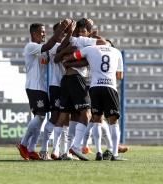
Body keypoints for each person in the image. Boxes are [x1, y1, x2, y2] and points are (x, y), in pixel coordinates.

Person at [51, 18, 107, 161]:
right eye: (78, 31)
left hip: (67, 80)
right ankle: (75, 147)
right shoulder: (84, 41)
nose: (80, 34)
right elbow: (104, 43)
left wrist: (69, 61)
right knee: (87, 114)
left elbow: (61, 55)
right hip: (76, 79)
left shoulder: (73, 40)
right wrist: (92, 37)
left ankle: (59, 151)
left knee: (66, 116)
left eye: (83, 31)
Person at [63, 40, 127, 161]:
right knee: (113, 122)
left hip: (94, 88)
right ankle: (115, 154)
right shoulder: (116, 52)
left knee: (97, 120)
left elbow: (71, 57)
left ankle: (98, 151)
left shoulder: (91, 49)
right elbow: (119, 76)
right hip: (110, 87)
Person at [16, 19, 70, 160]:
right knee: (40, 115)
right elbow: (49, 45)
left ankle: (32, 149)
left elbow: (55, 46)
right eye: (41, 32)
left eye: (45, 32)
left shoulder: (45, 49)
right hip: (33, 86)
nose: (43, 34)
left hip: (42, 88)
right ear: (33, 33)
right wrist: (60, 30)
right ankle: (23, 144)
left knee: (40, 118)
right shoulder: (31, 46)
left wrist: (67, 33)